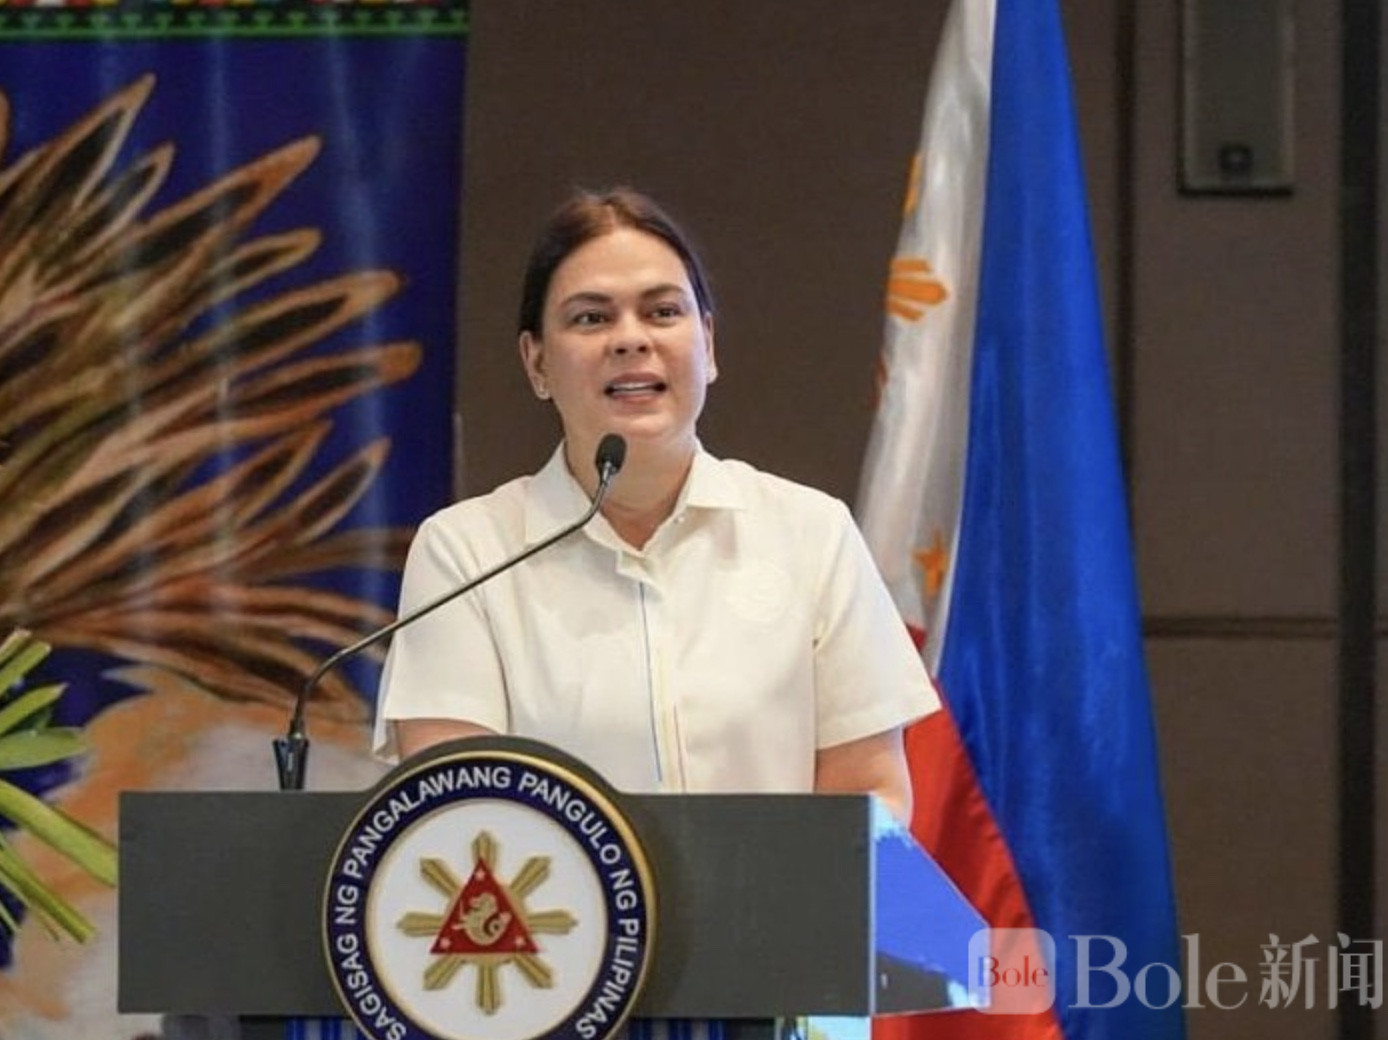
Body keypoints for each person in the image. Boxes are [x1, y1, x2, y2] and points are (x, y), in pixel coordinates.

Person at [372, 187, 937, 821]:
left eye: (663, 311)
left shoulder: (812, 534)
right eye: (591, 318)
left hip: (779, 892)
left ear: (708, 345)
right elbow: (453, 816)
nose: (630, 339)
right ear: (536, 363)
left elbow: (872, 801)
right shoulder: (468, 554)